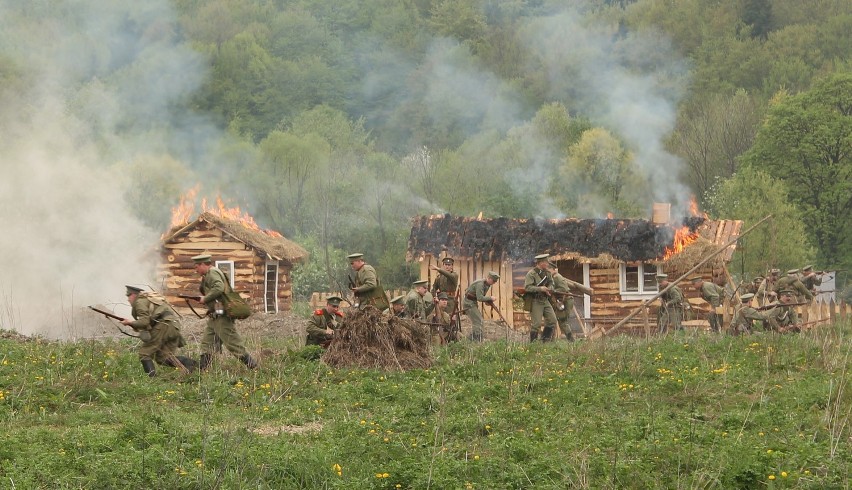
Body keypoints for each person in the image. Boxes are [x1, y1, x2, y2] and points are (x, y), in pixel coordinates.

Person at [191, 253, 257, 371]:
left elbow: (218, 288)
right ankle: (201, 371)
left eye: (196, 266)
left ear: (202, 264)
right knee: (207, 344)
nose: (195, 269)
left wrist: (205, 299)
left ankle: (253, 366)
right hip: (215, 315)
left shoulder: (213, 273)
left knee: (233, 343)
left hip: (222, 316)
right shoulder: (208, 275)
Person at [122, 285, 196, 377]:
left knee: (144, 353)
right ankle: (191, 364)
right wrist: (132, 323)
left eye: (128, 296)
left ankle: (152, 379)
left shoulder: (139, 302)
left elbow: (144, 322)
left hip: (164, 325)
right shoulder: (146, 300)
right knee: (162, 358)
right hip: (172, 325)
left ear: (133, 295)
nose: (128, 299)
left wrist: (131, 322)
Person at [524, 254, 558, 342]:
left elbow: (551, 283)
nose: (547, 264)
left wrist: (550, 288)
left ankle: (544, 340)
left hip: (545, 300)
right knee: (537, 324)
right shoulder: (531, 274)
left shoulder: (547, 273)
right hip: (535, 300)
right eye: (546, 262)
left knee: (552, 320)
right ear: (541, 263)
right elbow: (527, 288)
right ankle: (533, 344)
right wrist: (540, 288)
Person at [463, 271, 500, 342]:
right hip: (468, 303)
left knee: (477, 320)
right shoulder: (480, 284)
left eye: (495, 281)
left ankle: (474, 337)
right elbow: (480, 298)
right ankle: (476, 338)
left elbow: (480, 296)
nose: (494, 282)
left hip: (473, 302)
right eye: (493, 280)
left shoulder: (487, 285)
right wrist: (490, 298)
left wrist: (487, 301)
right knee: (478, 320)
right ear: (489, 278)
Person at [549, 262, 575, 341]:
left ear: (553, 270)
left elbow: (563, 289)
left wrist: (553, 291)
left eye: (549, 270)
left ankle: (571, 340)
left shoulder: (557, 277)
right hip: (562, 301)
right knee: (555, 320)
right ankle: (551, 340)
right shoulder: (554, 277)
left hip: (565, 300)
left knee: (562, 321)